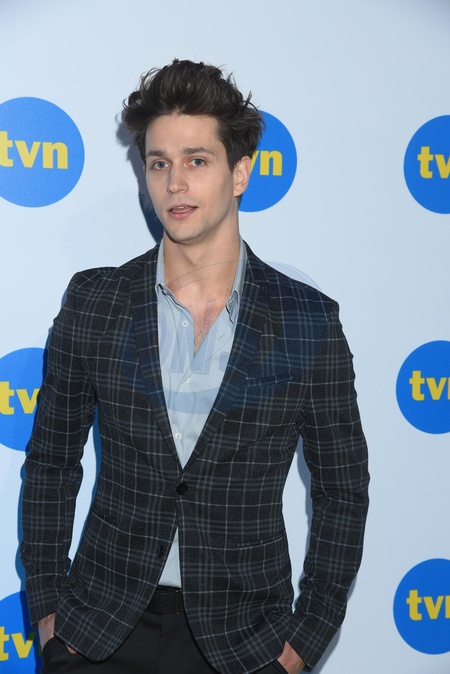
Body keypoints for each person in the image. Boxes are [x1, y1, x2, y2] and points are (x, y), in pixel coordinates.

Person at [20, 59, 369, 674]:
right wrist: (49, 612)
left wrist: (304, 643)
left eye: (197, 161)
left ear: (240, 173)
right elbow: (51, 462)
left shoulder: (308, 320)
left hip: (246, 644)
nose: (175, 183)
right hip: (97, 634)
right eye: (159, 163)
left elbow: (342, 490)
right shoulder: (95, 302)